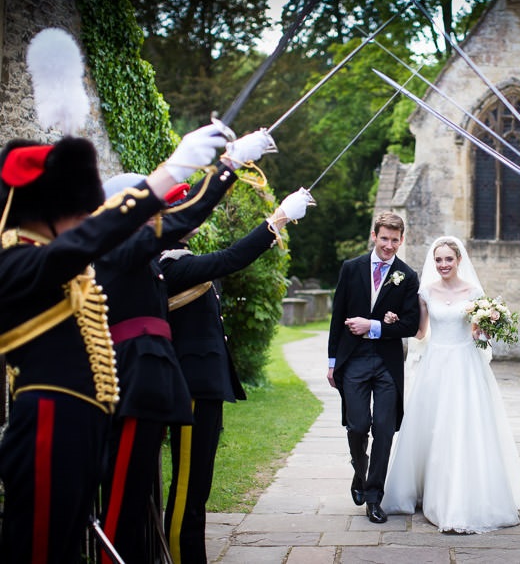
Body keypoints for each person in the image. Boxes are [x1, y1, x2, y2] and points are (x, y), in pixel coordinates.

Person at [0, 124, 225, 562]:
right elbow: (91, 239)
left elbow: (139, 232)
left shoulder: (56, 259)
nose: (84, 219)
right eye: (76, 209)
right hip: (47, 419)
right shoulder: (17, 260)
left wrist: (221, 171)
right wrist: (172, 171)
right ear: (45, 208)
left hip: (82, 422)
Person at [96, 130, 275, 563]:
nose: (163, 215)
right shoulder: (126, 252)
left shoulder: (142, 257)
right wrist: (227, 166)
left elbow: (182, 222)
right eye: (150, 208)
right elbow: (204, 239)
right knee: (125, 500)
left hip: (154, 389)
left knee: (139, 495)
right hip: (136, 387)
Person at [159, 186, 314, 563]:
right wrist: (276, 220)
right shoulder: (168, 265)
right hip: (191, 388)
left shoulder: (179, 258)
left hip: (204, 386)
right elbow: (230, 259)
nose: (191, 215)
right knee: (186, 489)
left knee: (198, 488)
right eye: (181, 210)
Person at [382, 236, 520, 533]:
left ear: (459, 260)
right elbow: (422, 333)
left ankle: (462, 498)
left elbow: (478, 333)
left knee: (463, 427)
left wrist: (486, 331)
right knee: (433, 427)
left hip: (464, 365)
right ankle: (430, 491)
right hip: (436, 364)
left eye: (448, 259)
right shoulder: (426, 291)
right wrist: (395, 319)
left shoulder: (474, 291)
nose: (443, 265)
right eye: (438, 260)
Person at [327, 211, 420, 524]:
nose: (389, 246)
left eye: (395, 240)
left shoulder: (407, 276)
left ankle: (374, 497)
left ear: (401, 240)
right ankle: (360, 471)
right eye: (384, 239)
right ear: (374, 236)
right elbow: (337, 316)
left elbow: (410, 324)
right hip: (353, 360)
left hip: (387, 365)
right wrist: (331, 362)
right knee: (357, 426)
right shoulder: (351, 269)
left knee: (383, 429)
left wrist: (374, 325)